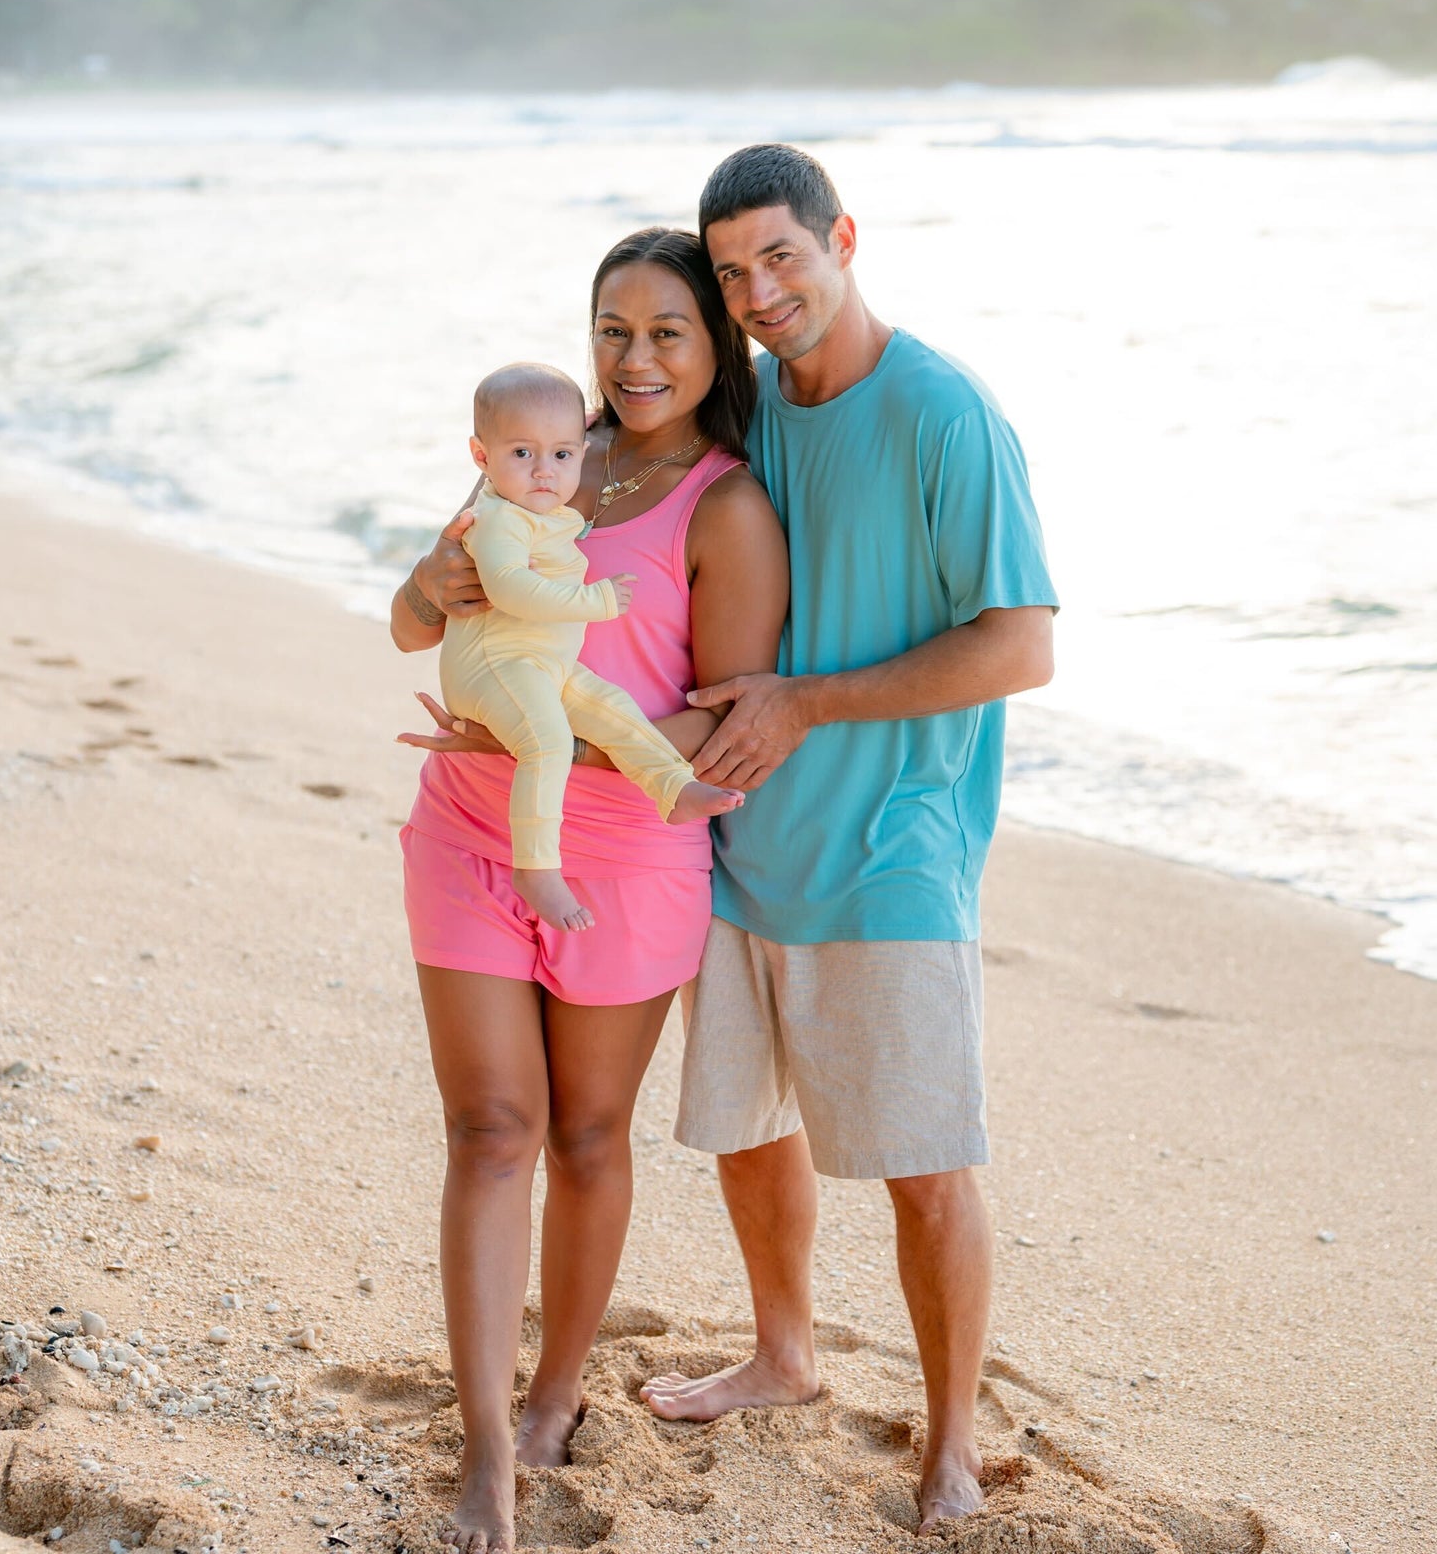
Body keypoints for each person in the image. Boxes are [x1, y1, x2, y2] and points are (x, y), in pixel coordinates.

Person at [636, 144, 1057, 1534]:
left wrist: (808, 702)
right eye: (736, 269)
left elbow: (1019, 646)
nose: (758, 291)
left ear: (844, 239)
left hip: (894, 847)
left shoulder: (942, 413)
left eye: (783, 257)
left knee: (929, 1169)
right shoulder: (746, 412)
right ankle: (784, 1354)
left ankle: (946, 1445)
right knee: (749, 1132)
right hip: (743, 835)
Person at [391, 227, 788, 1554]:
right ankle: (488, 1449)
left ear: (713, 346)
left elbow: (724, 720)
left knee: (587, 1140)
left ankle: (557, 1390)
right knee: (491, 1132)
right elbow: (413, 615)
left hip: (625, 862)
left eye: (668, 330)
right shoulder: (538, 459)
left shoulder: (727, 505)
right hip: (465, 835)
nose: (634, 357)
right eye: (613, 329)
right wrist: (427, 582)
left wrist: (536, 737)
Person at [435, 360, 742, 932]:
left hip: (542, 664)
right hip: (494, 666)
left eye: (562, 455)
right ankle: (536, 866)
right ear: (482, 458)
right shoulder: (499, 519)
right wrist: (594, 603)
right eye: (522, 454)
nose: (544, 471)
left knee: (613, 708)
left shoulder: (545, 516)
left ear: (582, 451)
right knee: (547, 742)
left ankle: (670, 786)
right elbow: (507, 588)